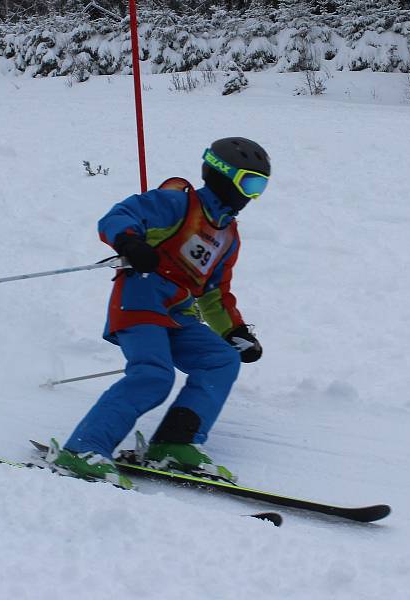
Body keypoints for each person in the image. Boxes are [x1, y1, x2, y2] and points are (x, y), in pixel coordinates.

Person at [47, 137, 271, 489]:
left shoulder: (228, 237)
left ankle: (175, 444)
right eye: (249, 183)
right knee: (154, 375)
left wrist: (236, 332)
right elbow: (119, 215)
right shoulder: (177, 204)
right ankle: (82, 450)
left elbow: (214, 292)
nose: (253, 195)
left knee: (221, 360)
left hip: (178, 314)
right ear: (223, 176)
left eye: (260, 187)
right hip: (140, 300)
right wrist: (131, 242)